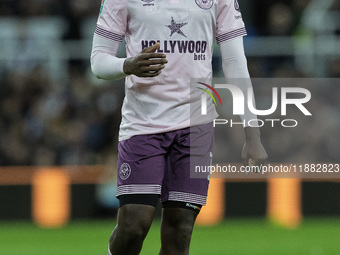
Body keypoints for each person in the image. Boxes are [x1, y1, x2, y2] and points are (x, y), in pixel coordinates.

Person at [91, 0, 267, 254]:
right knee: (133, 226)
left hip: (196, 127)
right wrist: (126, 65)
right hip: (144, 124)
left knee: (180, 230)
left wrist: (252, 130)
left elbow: (235, 61)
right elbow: (98, 61)